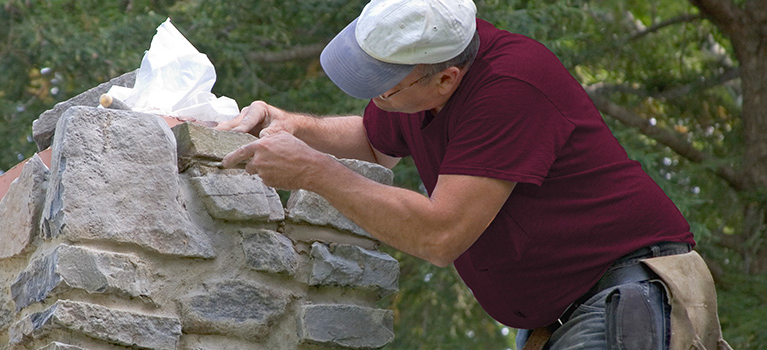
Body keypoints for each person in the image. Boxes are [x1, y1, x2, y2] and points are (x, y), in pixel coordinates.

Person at [218, 0, 730, 349]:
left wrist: (314, 172)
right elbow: (375, 142)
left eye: (382, 88)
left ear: (446, 78)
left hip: (624, 297)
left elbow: (439, 234)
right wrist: (290, 125)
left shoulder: (511, 86)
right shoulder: (428, 69)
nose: (373, 97)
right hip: (568, 313)